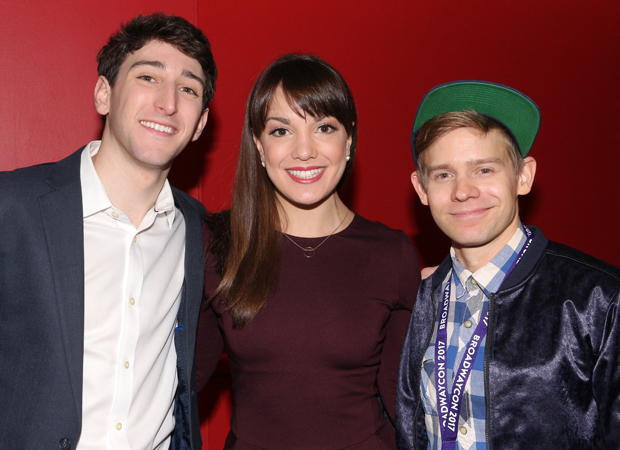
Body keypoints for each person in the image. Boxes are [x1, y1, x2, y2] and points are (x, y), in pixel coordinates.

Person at [0, 13, 217, 450]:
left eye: (188, 88)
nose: (168, 102)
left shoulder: (200, 233)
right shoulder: (12, 206)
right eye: (148, 77)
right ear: (104, 93)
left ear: (200, 124)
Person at [195, 53, 421, 449]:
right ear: (259, 146)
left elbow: (404, 399)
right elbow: (180, 381)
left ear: (348, 140)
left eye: (324, 128)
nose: (304, 151)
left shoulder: (392, 254)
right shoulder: (217, 246)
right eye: (281, 131)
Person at [396, 80, 620, 449]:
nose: (463, 191)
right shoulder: (417, 299)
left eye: (484, 170)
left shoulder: (600, 301)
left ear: (523, 176)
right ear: (421, 189)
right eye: (443, 174)